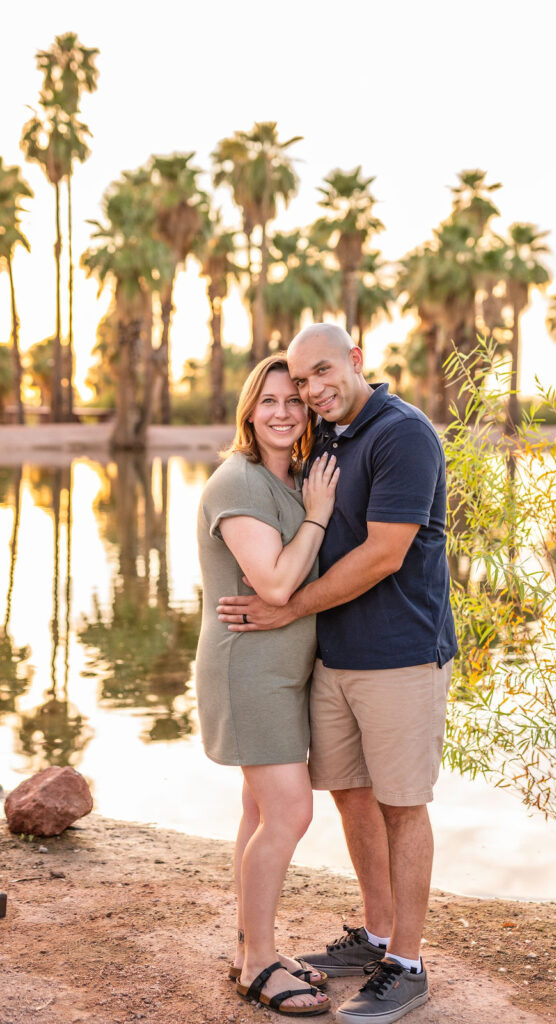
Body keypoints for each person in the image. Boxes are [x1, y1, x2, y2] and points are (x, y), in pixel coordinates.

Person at [217, 323, 457, 1024]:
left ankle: (406, 966)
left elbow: (384, 554)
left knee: (402, 805)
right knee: (351, 796)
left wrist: (285, 610)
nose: (312, 392)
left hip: (400, 655)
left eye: (323, 373)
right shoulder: (325, 435)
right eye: (300, 384)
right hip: (336, 656)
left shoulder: (401, 434)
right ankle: (376, 936)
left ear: (355, 360)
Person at [195, 353, 339, 1017]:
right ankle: (256, 964)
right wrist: (318, 514)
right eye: (269, 400)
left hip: (280, 670)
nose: (283, 412)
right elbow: (276, 583)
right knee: (288, 812)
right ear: (248, 410)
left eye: (295, 400)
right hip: (247, 669)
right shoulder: (239, 482)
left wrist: (311, 502)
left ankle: (253, 946)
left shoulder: (285, 478)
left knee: (258, 813)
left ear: (309, 408)